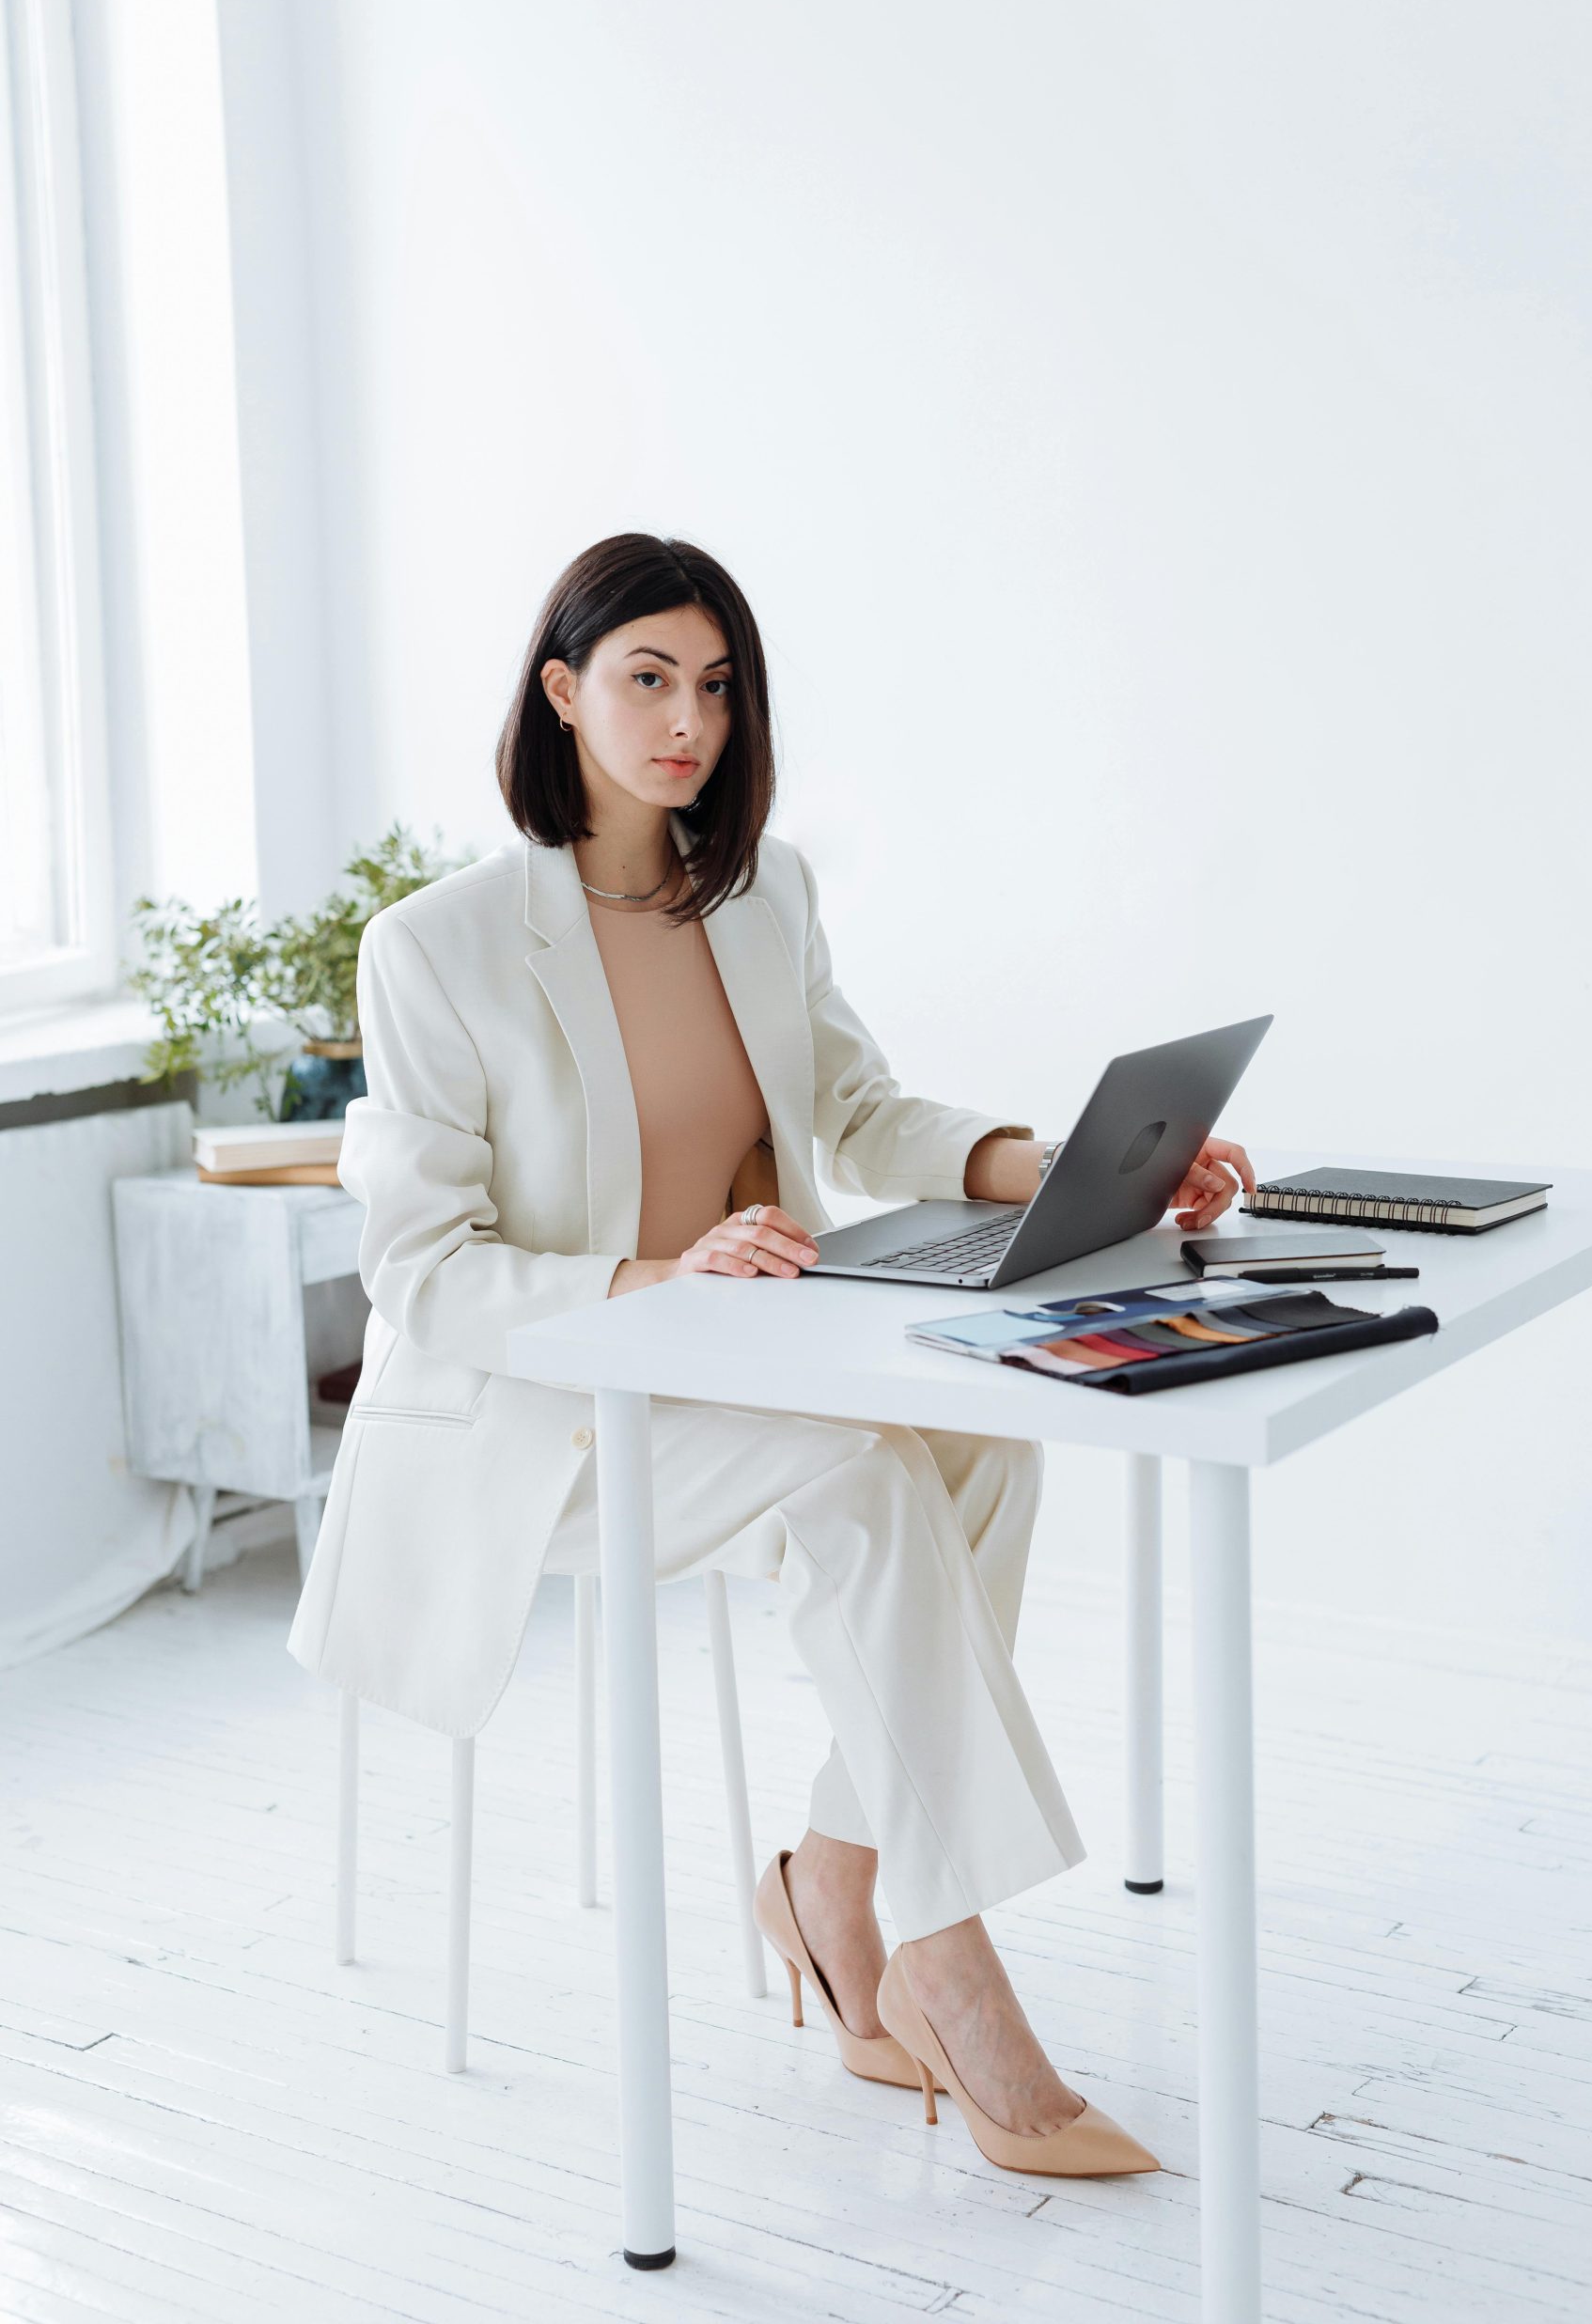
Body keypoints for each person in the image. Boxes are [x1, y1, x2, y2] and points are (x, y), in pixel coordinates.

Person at [289, 531, 1255, 2178]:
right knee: (870, 1477)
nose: (687, 722)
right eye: (648, 678)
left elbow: (862, 1111)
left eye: (717, 687)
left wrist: (1064, 1161)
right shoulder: (435, 945)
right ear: (560, 691)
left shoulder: (760, 894)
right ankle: (945, 1962)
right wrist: (661, 1269)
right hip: (548, 1408)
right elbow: (426, 1273)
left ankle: (829, 1877)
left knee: (988, 1444)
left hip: (741, 1363)